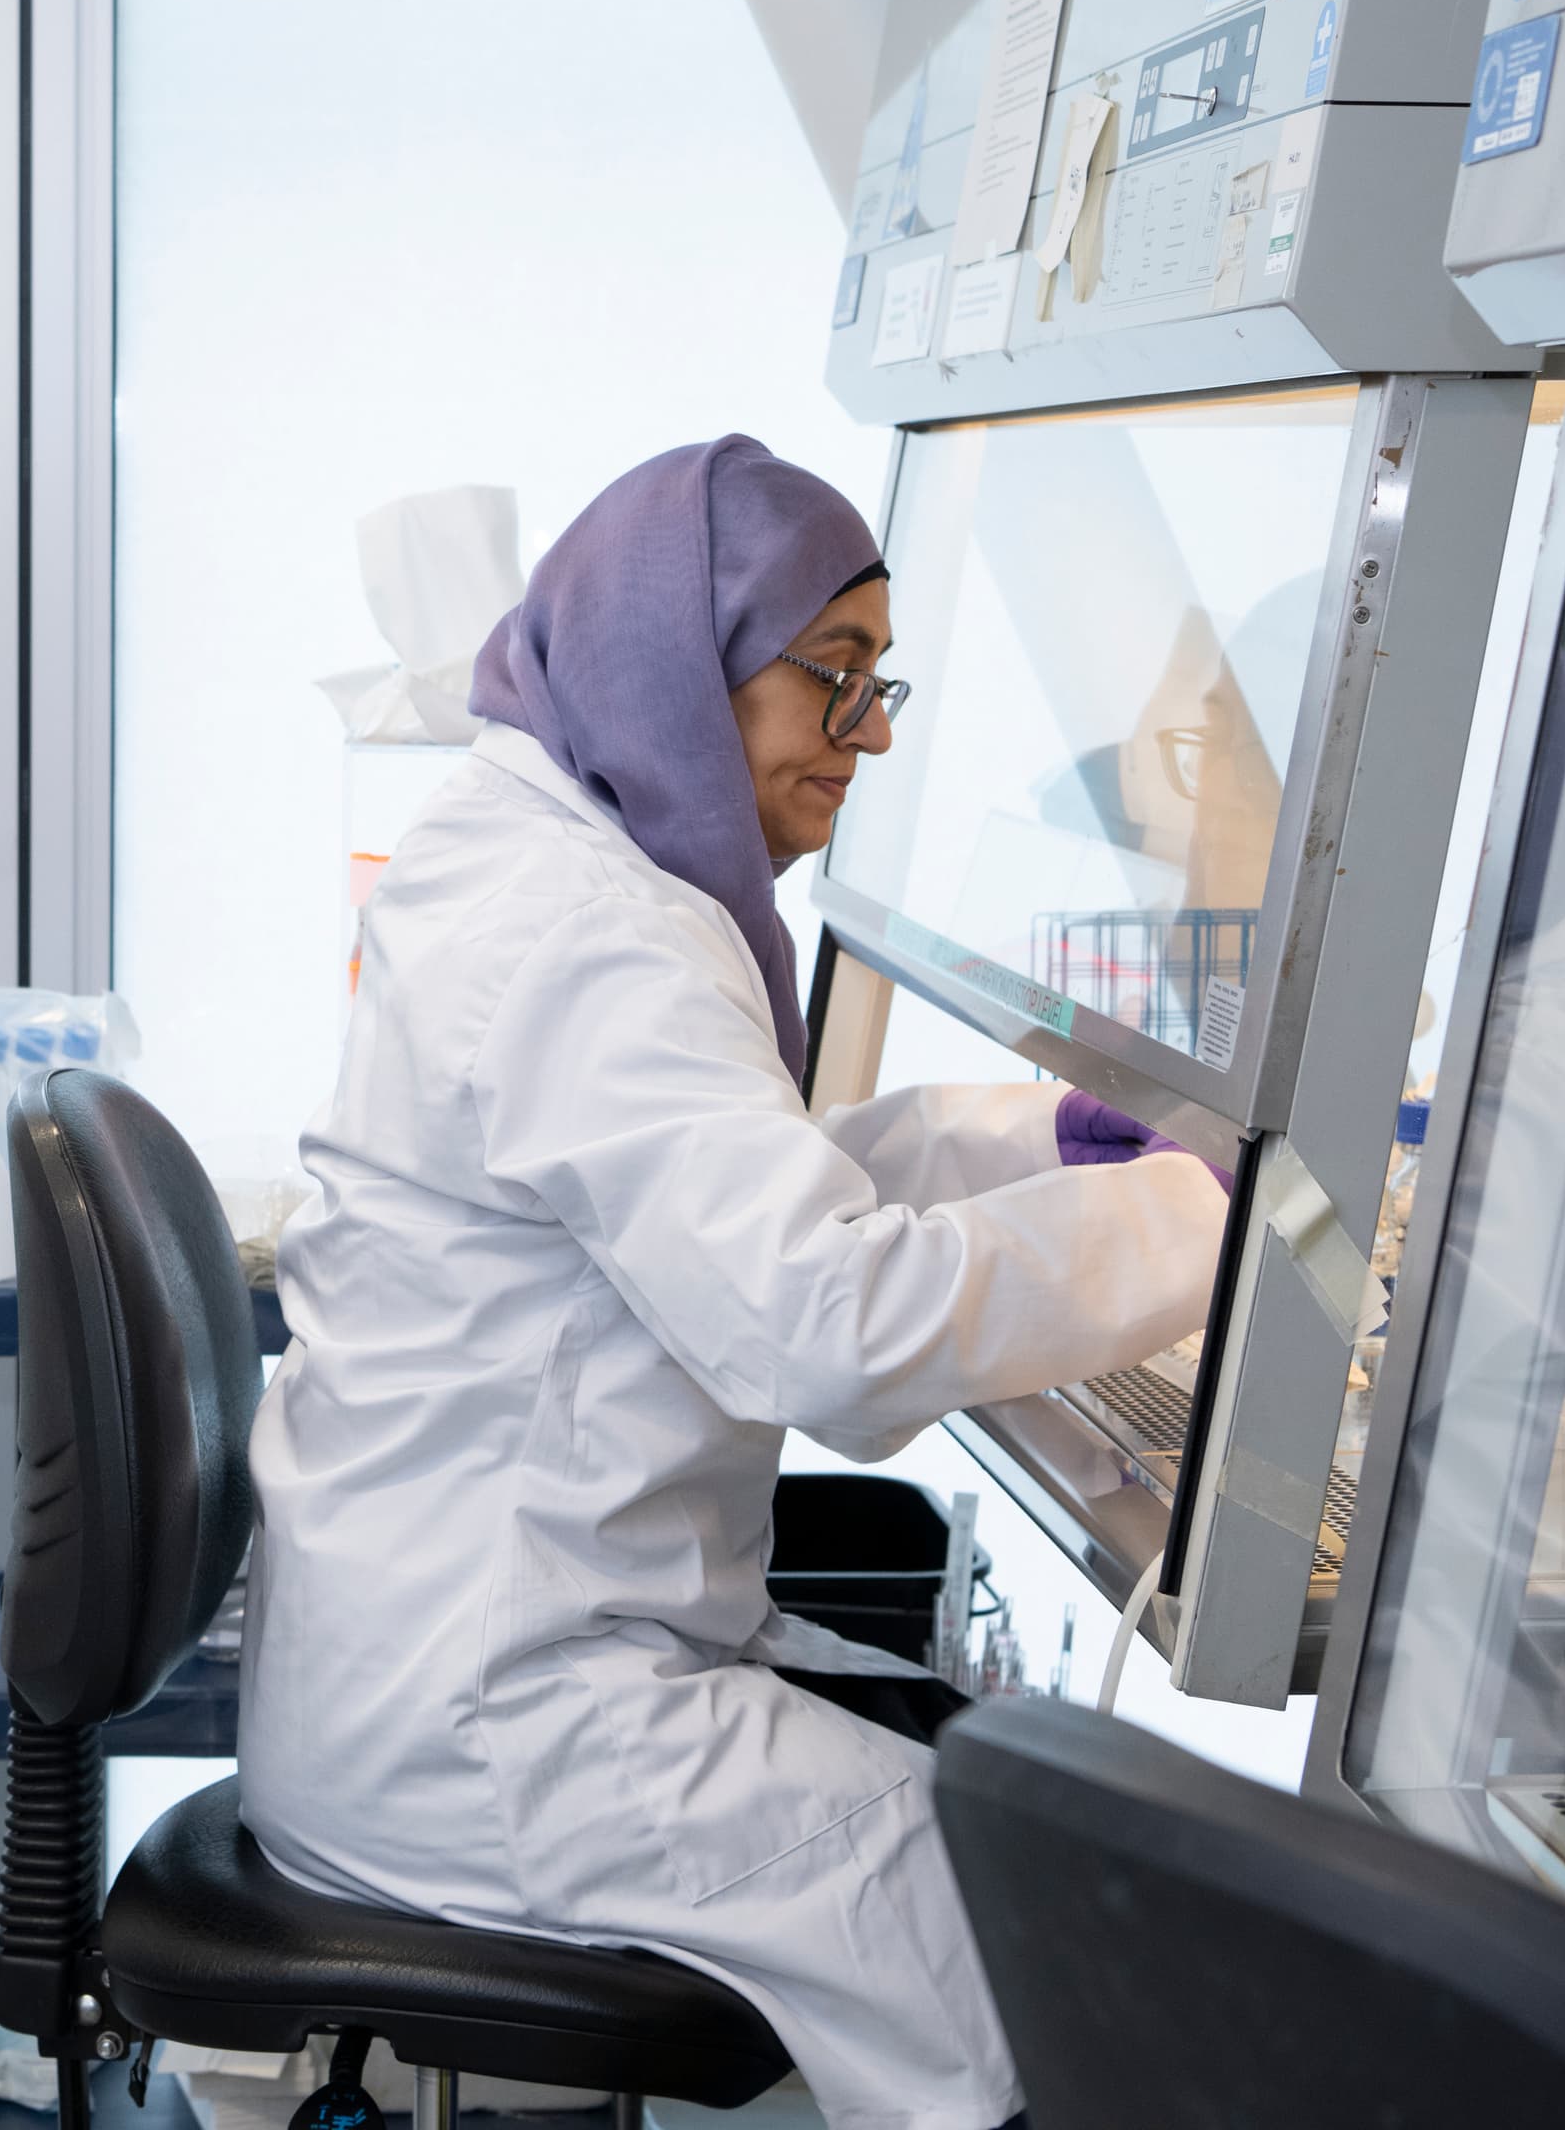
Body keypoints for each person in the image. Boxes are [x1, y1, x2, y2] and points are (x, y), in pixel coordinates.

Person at [237, 437, 1222, 2130]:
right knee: (1024, 1935)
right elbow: (822, 1320)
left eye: (880, 681)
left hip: (455, 1656)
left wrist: (1051, 1140)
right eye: (832, 680)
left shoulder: (555, 847)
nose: (877, 733)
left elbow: (739, 1175)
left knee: (972, 1804)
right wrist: (1219, 1231)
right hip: (494, 1726)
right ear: (673, 669)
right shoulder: (586, 929)